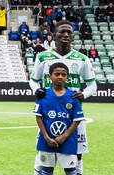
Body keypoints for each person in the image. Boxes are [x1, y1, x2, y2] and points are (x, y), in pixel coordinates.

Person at [30, 21, 98, 166]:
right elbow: (33, 80)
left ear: (73, 37)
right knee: (44, 154)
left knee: (77, 155)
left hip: (73, 113)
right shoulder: (42, 57)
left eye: (69, 32)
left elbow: (92, 85)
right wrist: (37, 90)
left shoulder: (81, 58)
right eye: (62, 32)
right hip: (49, 112)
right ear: (54, 36)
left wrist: (84, 94)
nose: (66, 35)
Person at [31, 62, 84, 175]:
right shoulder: (43, 95)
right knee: (47, 170)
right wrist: (46, 136)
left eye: (63, 74)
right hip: (46, 141)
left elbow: (77, 119)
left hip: (67, 142)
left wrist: (65, 136)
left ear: (67, 77)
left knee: (70, 171)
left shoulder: (73, 96)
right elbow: (39, 117)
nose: (60, 77)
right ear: (50, 77)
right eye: (57, 74)